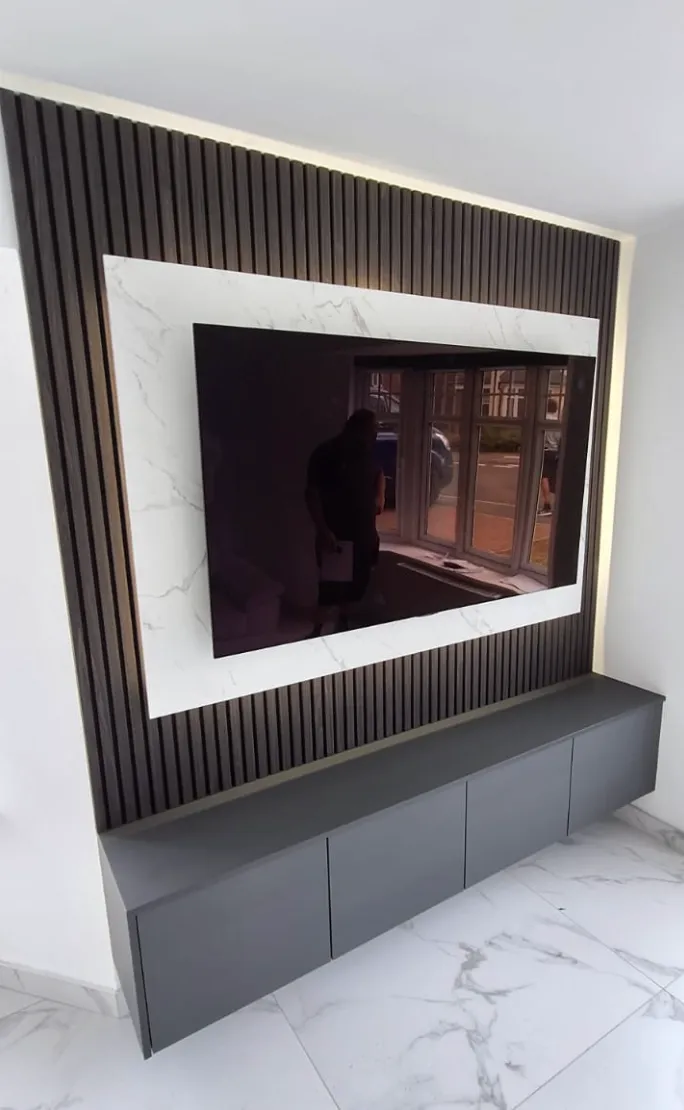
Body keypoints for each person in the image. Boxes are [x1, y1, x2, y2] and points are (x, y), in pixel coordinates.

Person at [305, 409, 385, 636]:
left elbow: (378, 478)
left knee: (356, 588)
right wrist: (323, 530)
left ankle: (343, 628)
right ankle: (316, 633)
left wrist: (380, 492)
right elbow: (312, 494)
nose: (375, 434)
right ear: (356, 429)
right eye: (372, 430)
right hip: (336, 536)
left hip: (364, 534)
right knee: (330, 590)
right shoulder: (326, 454)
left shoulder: (367, 453)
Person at [540, 399, 561, 515]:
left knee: (544, 477)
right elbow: (560, 439)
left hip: (545, 450)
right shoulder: (558, 422)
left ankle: (547, 504)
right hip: (556, 451)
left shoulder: (543, 420)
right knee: (556, 477)